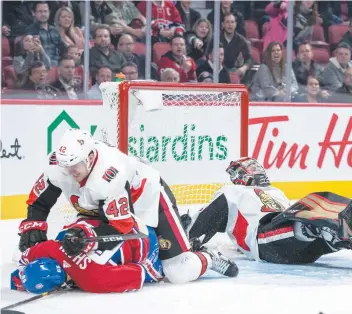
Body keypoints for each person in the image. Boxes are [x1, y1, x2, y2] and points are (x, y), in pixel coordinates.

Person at [18, 129, 238, 286]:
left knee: (177, 271)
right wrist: (32, 226)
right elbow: (39, 203)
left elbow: (120, 227)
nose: (70, 171)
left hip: (149, 201)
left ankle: (207, 256)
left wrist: (86, 236)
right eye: (66, 166)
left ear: (91, 156)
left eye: (76, 165)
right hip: (105, 208)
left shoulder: (108, 174)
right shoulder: (58, 166)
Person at [182, 157, 352, 264]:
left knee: (318, 208)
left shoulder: (232, 191)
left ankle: (333, 235)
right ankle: (328, 233)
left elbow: (209, 216)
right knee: (313, 206)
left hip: (290, 247)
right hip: (270, 243)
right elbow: (211, 217)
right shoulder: (274, 192)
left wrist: (186, 233)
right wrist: (189, 237)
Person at [11, 222, 163, 294]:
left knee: (159, 273)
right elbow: (24, 260)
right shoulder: (49, 249)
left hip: (147, 241)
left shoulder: (92, 280)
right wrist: (22, 277)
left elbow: (138, 274)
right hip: (126, 222)